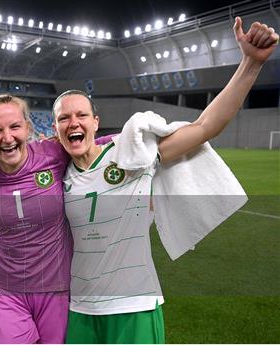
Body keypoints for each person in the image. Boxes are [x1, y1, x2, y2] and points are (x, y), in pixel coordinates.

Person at [52, 17, 278, 344]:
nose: (73, 122)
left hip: (135, 306)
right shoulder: (59, 175)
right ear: (57, 128)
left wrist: (251, 64)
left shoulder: (132, 155)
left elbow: (205, 127)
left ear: (95, 122)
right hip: (81, 311)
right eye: (63, 118)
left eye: (81, 115)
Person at [0, 94, 114, 343]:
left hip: (57, 288)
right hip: (5, 289)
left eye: (15, 127)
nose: (7, 138)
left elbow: (103, 146)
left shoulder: (53, 153)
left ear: (28, 128)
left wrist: (148, 135)